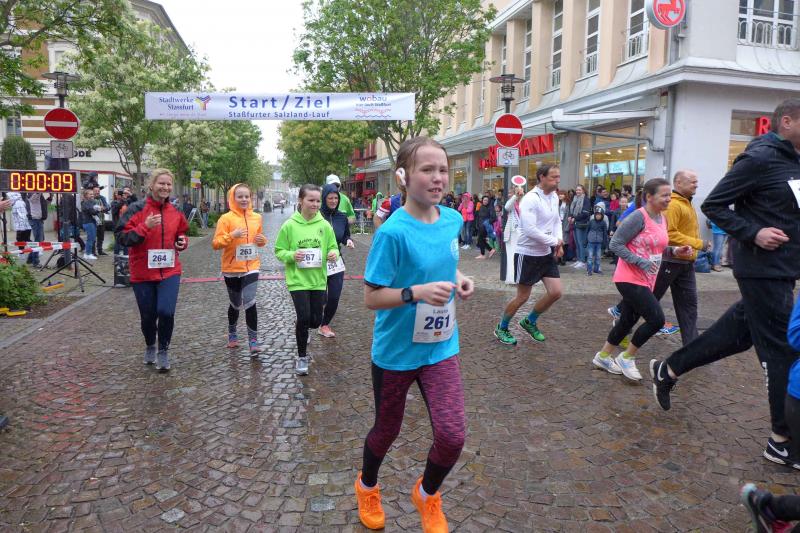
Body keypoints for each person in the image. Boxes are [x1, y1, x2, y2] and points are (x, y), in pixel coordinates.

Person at [650, 99, 800, 467]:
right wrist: (754, 232)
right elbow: (714, 204)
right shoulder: (759, 158)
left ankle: (668, 369)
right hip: (761, 267)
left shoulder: (794, 160)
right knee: (781, 351)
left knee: (735, 334)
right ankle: (782, 439)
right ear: (787, 121)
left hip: (784, 267)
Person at [354, 136, 474, 533]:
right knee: (387, 430)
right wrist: (415, 293)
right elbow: (371, 297)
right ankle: (367, 486)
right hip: (396, 353)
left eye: (443, 170)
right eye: (428, 170)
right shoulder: (392, 233)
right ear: (403, 177)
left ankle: (427, 494)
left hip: (441, 346)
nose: (438, 178)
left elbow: (443, 263)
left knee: (452, 436)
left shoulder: (452, 220)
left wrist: (459, 278)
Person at [592, 178, 692, 380]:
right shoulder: (638, 217)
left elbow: (656, 246)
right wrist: (639, 261)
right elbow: (615, 244)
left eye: (669, 195)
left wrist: (675, 251)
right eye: (664, 195)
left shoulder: (662, 218)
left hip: (647, 279)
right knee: (657, 320)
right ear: (649, 197)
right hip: (628, 277)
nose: (669, 199)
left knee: (627, 321)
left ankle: (603, 357)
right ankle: (627, 357)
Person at [115, 169, 188, 372]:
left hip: (170, 271)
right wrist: (144, 227)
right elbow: (121, 237)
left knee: (166, 311)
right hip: (143, 273)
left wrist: (182, 242)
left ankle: (163, 350)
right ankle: (150, 344)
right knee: (148, 316)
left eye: (168, 184)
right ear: (151, 185)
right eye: (161, 183)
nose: (165, 187)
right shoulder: (136, 209)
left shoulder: (175, 210)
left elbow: (181, 233)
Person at [494, 164, 564, 346]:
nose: (557, 181)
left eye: (558, 177)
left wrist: (559, 240)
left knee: (556, 292)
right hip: (527, 254)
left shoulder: (554, 196)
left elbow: (557, 221)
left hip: (545, 253)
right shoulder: (531, 199)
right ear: (541, 177)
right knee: (523, 297)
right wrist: (554, 242)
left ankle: (529, 321)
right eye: (553, 177)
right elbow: (529, 230)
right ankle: (502, 327)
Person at [274, 184, 339, 376]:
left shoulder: (324, 225)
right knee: (303, 318)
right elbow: (279, 251)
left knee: (315, 320)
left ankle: (304, 327)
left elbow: (333, 247)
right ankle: (302, 357)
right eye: (311, 200)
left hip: (318, 280)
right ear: (300, 201)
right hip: (297, 280)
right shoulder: (289, 225)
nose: (315, 204)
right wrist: (292, 255)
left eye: (318, 200)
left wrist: (333, 254)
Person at [212, 184, 268, 354]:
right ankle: (232, 333)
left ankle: (253, 341)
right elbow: (216, 243)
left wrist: (262, 240)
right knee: (235, 304)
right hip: (231, 268)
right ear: (233, 198)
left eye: (247, 196)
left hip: (252, 266)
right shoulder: (225, 219)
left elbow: (260, 238)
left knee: (250, 300)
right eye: (240, 196)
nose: (244, 199)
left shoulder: (257, 217)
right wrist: (232, 235)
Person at [318, 183, 355, 338]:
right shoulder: (317, 216)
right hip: (317, 262)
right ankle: (305, 323)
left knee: (334, 296)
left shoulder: (342, 217)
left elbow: (345, 235)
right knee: (319, 298)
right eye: (330, 198)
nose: (333, 201)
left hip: (336, 262)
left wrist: (348, 241)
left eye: (336, 198)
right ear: (324, 199)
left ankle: (324, 324)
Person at [503, 184, 525, 284]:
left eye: (510, 193)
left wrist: (521, 196)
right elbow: (507, 207)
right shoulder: (512, 202)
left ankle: (522, 276)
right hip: (512, 232)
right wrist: (515, 196)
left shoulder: (524, 201)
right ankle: (512, 278)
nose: (509, 195)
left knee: (522, 256)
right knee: (512, 255)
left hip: (523, 232)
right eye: (509, 193)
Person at [567, 184, 591, 268]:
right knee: (577, 243)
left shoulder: (586, 200)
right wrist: (570, 216)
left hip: (582, 224)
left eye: (579, 190)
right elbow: (572, 210)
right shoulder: (575, 199)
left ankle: (583, 261)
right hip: (575, 223)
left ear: (583, 191)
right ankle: (579, 259)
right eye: (577, 190)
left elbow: (585, 213)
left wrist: (575, 218)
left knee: (581, 243)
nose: (578, 191)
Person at [25, 192, 50, 268]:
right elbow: (32, 200)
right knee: (38, 241)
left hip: (39, 219)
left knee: (39, 240)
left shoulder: (41, 194)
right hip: (35, 219)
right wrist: (38, 192)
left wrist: (49, 197)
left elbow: (46, 203)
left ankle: (30, 259)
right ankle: (35, 262)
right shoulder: (32, 193)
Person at [585, 205, 608, 276]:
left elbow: (605, 233)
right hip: (591, 242)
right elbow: (587, 231)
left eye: (599, 215)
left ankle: (596, 269)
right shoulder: (591, 222)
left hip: (599, 243)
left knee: (598, 257)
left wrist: (605, 243)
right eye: (597, 214)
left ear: (602, 215)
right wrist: (586, 240)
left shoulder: (603, 223)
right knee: (590, 256)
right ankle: (589, 270)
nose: (598, 216)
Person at [79, 189, 100, 261]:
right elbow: (92, 212)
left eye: (92, 194)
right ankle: (87, 254)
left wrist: (97, 209)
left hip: (92, 222)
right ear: (86, 195)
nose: (92, 195)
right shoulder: (86, 203)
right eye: (90, 194)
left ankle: (88, 253)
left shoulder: (91, 202)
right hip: (88, 222)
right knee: (90, 238)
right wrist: (98, 209)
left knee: (92, 238)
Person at [474, 195, 493, 260]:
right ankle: (490, 250)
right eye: (484, 200)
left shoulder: (490, 208)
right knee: (481, 240)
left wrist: (487, 223)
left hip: (484, 227)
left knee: (480, 240)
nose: (485, 201)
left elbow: (493, 217)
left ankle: (483, 254)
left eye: (486, 200)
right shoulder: (481, 206)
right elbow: (477, 215)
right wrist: (477, 209)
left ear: (488, 201)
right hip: (480, 226)